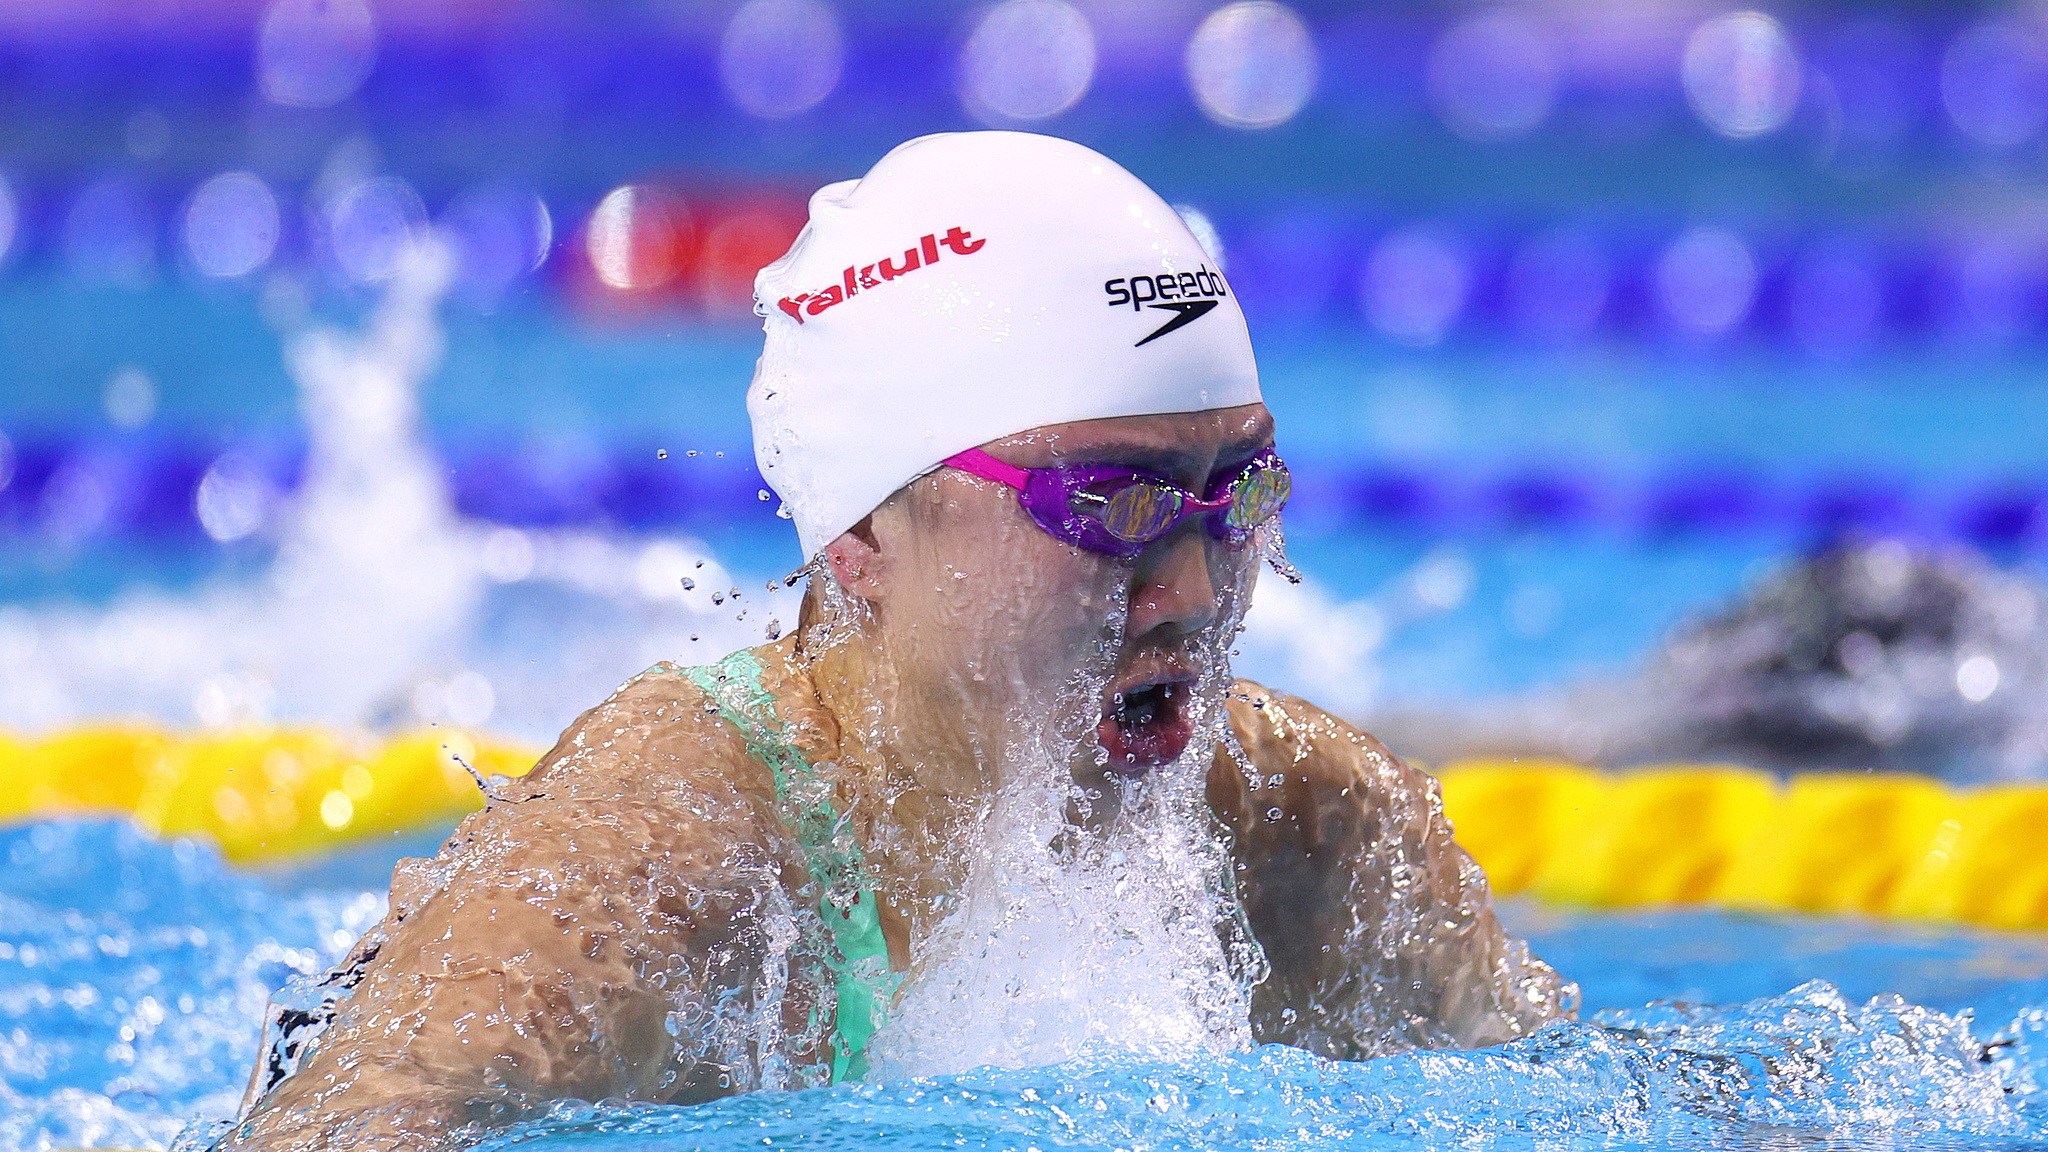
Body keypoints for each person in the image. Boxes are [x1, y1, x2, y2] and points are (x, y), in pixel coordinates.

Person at [221, 131, 1575, 1151]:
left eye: (1237, 494)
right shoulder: (670, 849)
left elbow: (1584, 1103)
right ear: (862, 533)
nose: (1193, 590)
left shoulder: (1310, 831)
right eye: (1110, 504)